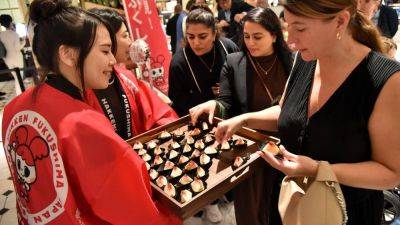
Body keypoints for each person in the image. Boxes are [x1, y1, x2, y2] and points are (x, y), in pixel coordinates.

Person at [212, 0, 400, 225]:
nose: (290, 41)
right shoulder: (305, 58)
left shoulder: (387, 80)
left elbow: (391, 173)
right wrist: (242, 119)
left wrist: (319, 170)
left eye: (300, 28)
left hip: (346, 213)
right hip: (292, 202)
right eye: (288, 25)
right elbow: (288, 111)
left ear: (340, 21)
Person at [1, 0, 181, 224]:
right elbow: (131, 208)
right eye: (105, 50)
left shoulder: (13, 109)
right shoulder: (84, 124)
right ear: (68, 54)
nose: (113, 60)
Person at [190, 7, 292, 225]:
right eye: (246, 36)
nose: (250, 43)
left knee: (280, 206)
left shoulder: (291, 63)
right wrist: (213, 104)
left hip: (284, 146)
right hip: (249, 149)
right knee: (250, 210)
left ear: (274, 35)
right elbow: (226, 102)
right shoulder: (235, 62)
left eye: (257, 37)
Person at [87, 8, 178, 140]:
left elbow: (156, 114)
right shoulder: (83, 88)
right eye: (125, 36)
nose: (130, 42)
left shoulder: (125, 77)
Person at [168, 8, 239, 117]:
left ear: (214, 34)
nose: (196, 43)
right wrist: (208, 95)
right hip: (199, 119)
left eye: (202, 37)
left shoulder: (228, 47)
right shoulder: (179, 62)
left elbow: (243, 80)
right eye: (191, 37)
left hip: (233, 113)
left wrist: (227, 89)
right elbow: (177, 100)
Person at [0, 14, 26, 95]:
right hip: (16, 57)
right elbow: (17, 48)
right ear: (11, 22)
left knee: (16, 78)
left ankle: (20, 96)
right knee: (19, 78)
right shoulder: (14, 34)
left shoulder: (1, 34)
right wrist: (24, 42)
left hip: (7, 58)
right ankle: (20, 96)